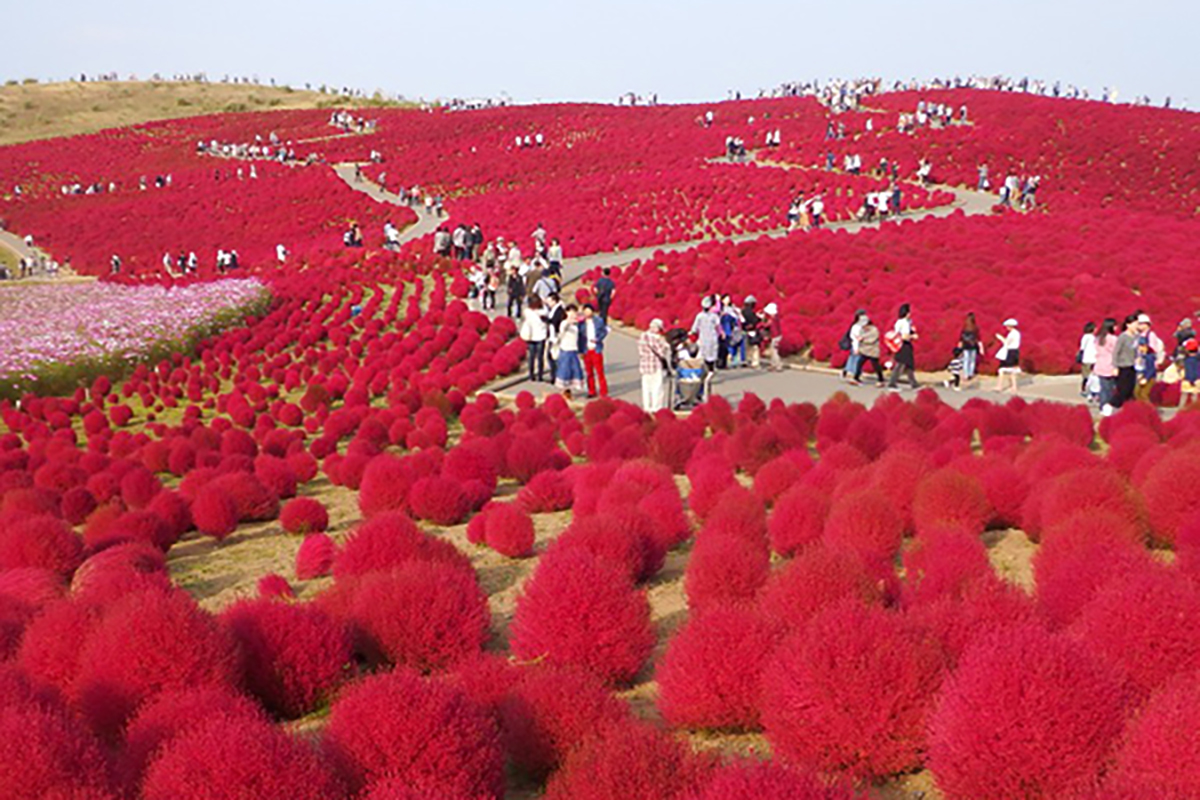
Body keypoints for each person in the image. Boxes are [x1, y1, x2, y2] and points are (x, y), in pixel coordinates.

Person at [638, 319, 671, 412]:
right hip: (655, 365)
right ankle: (656, 408)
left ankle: (647, 407)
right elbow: (661, 353)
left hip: (644, 365)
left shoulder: (642, 336)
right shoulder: (656, 339)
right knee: (657, 388)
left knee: (646, 388)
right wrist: (664, 345)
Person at [552, 305, 585, 399]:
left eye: (574, 312)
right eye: (571, 312)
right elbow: (562, 331)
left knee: (573, 372)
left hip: (573, 350)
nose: (573, 314)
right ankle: (564, 392)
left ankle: (568, 392)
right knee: (565, 372)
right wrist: (569, 321)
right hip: (565, 351)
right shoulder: (564, 323)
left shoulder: (576, 325)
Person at [1110, 314, 1140, 413]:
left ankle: (1127, 410)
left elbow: (1136, 350)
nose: (1137, 326)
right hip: (1123, 367)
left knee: (1130, 390)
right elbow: (1116, 352)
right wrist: (1115, 367)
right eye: (1135, 324)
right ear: (1128, 325)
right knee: (1123, 390)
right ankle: (1111, 406)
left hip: (1132, 366)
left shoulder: (1136, 336)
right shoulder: (1123, 337)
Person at [1133, 313, 1165, 402]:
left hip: (1148, 366)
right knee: (1137, 393)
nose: (1139, 326)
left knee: (1143, 393)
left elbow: (1153, 349)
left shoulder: (1151, 335)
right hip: (1141, 366)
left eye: (1141, 324)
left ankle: (1147, 408)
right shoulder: (1139, 335)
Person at [886, 303, 919, 390]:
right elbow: (904, 336)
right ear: (906, 313)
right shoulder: (904, 323)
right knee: (901, 364)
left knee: (909, 364)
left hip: (901, 344)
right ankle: (892, 383)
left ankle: (914, 384)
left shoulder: (902, 321)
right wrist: (913, 336)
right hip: (903, 345)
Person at [579, 304, 608, 397]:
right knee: (589, 372)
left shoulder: (598, 321)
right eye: (585, 311)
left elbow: (604, 331)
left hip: (596, 349)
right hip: (586, 350)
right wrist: (580, 351)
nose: (587, 313)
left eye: (589, 311)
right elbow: (579, 338)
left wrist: (598, 339)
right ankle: (591, 391)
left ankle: (603, 392)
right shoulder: (581, 323)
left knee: (600, 372)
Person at [519, 296, 549, 383]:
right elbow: (546, 312)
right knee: (539, 357)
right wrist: (544, 303)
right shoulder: (543, 312)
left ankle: (531, 375)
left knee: (532, 357)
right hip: (541, 336)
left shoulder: (527, 312)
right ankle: (539, 375)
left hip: (531, 337)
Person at [691, 296, 723, 371]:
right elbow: (718, 326)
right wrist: (721, 333)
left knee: (705, 354)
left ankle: (707, 369)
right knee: (712, 353)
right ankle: (711, 368)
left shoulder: (699, 316)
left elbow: (694, 328)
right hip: (712, 338)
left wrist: (692, 332)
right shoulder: (714, 316)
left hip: (704, 338)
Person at [852, 314, 885, 385]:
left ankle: (881, 380)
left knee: (876, 366)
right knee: (859, 363)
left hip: (873, 350)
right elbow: (859, 336)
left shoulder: (874, 330)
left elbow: (872, 340)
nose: (863, 327)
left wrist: (862, 339)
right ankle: (856, 378)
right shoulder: (861, 330)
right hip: (864, 350)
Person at [1093, 318, 1118, 409]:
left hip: (1100, 364)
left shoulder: (1098, 338)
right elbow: (1116, 352)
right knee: (1110, 389)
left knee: (1103, 388)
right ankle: (1107, 406)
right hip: (1110, 365)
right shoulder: (1113, 338)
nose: (1116, 328)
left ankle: (1102, 406)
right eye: (1115, 326)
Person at [995, 318, 1022, 394]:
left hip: (1010, 352)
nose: (1006, 327)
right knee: (1012, 370)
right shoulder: (1017, 333)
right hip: (1015, 352)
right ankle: (1014, 387)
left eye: (1007, 326)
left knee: (1001, 369)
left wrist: (1000, 338)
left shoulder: (1012, 334)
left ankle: (999, 386)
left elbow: (1006, 342)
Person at [544, 293, 566, 378]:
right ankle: (554, 374)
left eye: (549, 301)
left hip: (556, 336)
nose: (548, 303)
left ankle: (556, 375)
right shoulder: (553, 310)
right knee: (551, 356)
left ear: (554, 301)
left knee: (554, 356)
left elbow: (556, 322)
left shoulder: (559, 310)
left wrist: (548, 321)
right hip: (551, 336)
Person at [1078, 322, 1098, 398]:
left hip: (1089, 359)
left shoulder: (1089, 337)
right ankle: (1086, 390)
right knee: (1089, 376)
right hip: (1090, 359)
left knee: (1087, 376)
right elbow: (1082, 348)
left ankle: (1087, 390)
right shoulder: (1088, 337)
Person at [762, 303, 783, 372]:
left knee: (775, 351)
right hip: (776, 336)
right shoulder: (775, 318)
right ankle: (773, 365)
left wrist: (763, 323)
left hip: (776, 336)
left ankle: (778, 365)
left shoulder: (774, 319)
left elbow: (767, 325)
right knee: (773, 351)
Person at [742, 296, 762, 368]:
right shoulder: (751, 312)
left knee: (747, 346)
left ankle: (748, 360)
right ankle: (755, 362)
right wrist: (759, 318)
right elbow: (754, 321)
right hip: (752, 330)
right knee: (755, 347)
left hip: (745, 330)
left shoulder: (743, 311)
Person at [1182, 339, 1200, 406]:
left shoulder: (1188, 361)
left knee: (1185, 394)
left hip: (1191, 381)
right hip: (1198, 379)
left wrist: (1191, 381)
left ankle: (1182, 409)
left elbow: (1190, 372)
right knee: (1195, 395)